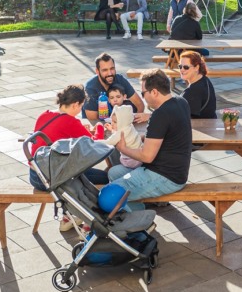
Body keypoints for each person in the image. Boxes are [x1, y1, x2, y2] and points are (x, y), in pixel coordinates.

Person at [107, 69, 193, 210]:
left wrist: (123, 148)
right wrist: (140, 137)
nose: (143, 97)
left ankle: (138, 225)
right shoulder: (181, 102)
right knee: (114, 173)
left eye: (143, 93)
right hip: (176, 172)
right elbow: (167, 136)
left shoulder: (160, 114)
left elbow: (146, 156)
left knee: (109, 196)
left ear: (154, 92)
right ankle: (138, 215)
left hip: (164, 176)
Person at [83, 53, 149, 124]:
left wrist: (134, 122)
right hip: (99, 127)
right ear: (97, 71)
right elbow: (93, 119)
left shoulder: (120, 79)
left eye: (112, 68)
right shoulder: (90, 87)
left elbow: (139, 104)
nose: (110, 73)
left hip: (122, 124)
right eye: (105, 70)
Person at [178, 50, 217, 119]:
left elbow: (182, 119)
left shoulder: (192, 92)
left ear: (196, 67)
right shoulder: (204, 80)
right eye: (180, 66)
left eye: (186, 67)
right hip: (209, 123)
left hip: (200, 128)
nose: (182, 70)